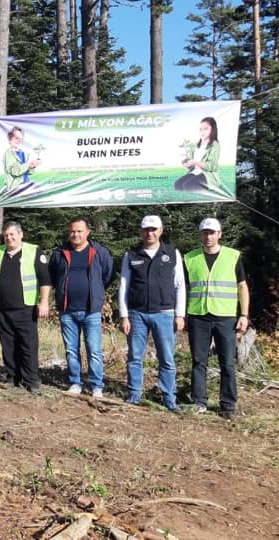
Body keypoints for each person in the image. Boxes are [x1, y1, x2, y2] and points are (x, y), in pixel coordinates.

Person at [118, 215, 186, 412]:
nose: (150, 233)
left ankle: (169, 397)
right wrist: (124, 315)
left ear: (161, 230)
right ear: (141, 231)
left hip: (165, 313)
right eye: (146, 229)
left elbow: (180, 285)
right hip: (137, 314)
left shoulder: (172, 253)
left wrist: (180, 314)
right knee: (135, 357)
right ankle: (134, 394)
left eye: (153, 229)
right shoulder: (131, 255)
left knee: (166, 358)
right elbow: (124, 286)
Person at [183, 218, 249, 420]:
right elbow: (184, 289)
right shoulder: (190, 258)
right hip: (198, 316)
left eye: (212, 233)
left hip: (225, 316)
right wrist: (183, 314)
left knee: (227, 363)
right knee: (198, 361)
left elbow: (242, 287)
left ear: (220, 234)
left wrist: (244, 315)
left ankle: (228, 406)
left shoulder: (232, 256)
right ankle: (199, 402)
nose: (208, 236)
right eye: (205, 232)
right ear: (200, 234)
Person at [49, 217, 114, 398]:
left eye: (79, 231)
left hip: (91, 310)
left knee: (94, 350)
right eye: (72, 231)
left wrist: (97, 292)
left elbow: (107, 275)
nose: (75, 234)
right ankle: (75, 382)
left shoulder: (99, 252)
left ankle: (96, 385)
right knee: (71, 349)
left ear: (87, 233)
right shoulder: (60, 253)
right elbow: (53, 276)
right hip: (67, 310)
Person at [0, 221, 51, 394]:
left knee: (28, 345)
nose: (9, 238)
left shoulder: (33, 251)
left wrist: (43, 302)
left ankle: (31, 380)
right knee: (8, 345)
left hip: (26, 308)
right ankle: (13, 376)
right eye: (6, 235)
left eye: (13, 234)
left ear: (21, 235)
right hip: (2, 308)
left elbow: (45, 279)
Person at [174, 117, 221, 193]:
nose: (202, 132)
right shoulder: (195, 145)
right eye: (200, 129)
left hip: (207, 175)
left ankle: (210, 188)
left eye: (206, 129)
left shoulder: (215, 145)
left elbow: (212, 166)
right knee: (178, 185)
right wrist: (188, 163)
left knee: (187, 186)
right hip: (196, 172)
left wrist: (195, 162)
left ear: (213, 130)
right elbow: (193, 166)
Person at [0, 126, 40, 198]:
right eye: (16, 138)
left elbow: (29, 172)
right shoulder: (8, 153)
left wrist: (33, 166)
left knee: (41, 191)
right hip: (15, 187)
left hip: (26, 184)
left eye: (21, 139)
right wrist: (28, 165)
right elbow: (14, 172)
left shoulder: (24, 153)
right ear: (9, 139)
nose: (19, 141)